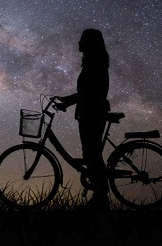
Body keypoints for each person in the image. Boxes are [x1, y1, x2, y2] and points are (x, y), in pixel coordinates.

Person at [53, 28, 110, 210]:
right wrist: (68, 101)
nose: (78, 42)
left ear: (90, 43)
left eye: (82, 39)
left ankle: (101, 197)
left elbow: (88, 93)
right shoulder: (92, 61)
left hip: (93, 112)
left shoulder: (94, 62)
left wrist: (67, 101)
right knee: (91, 153)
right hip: (90, 111)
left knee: (92, 154)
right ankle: (100, 195)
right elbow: (85, 93)